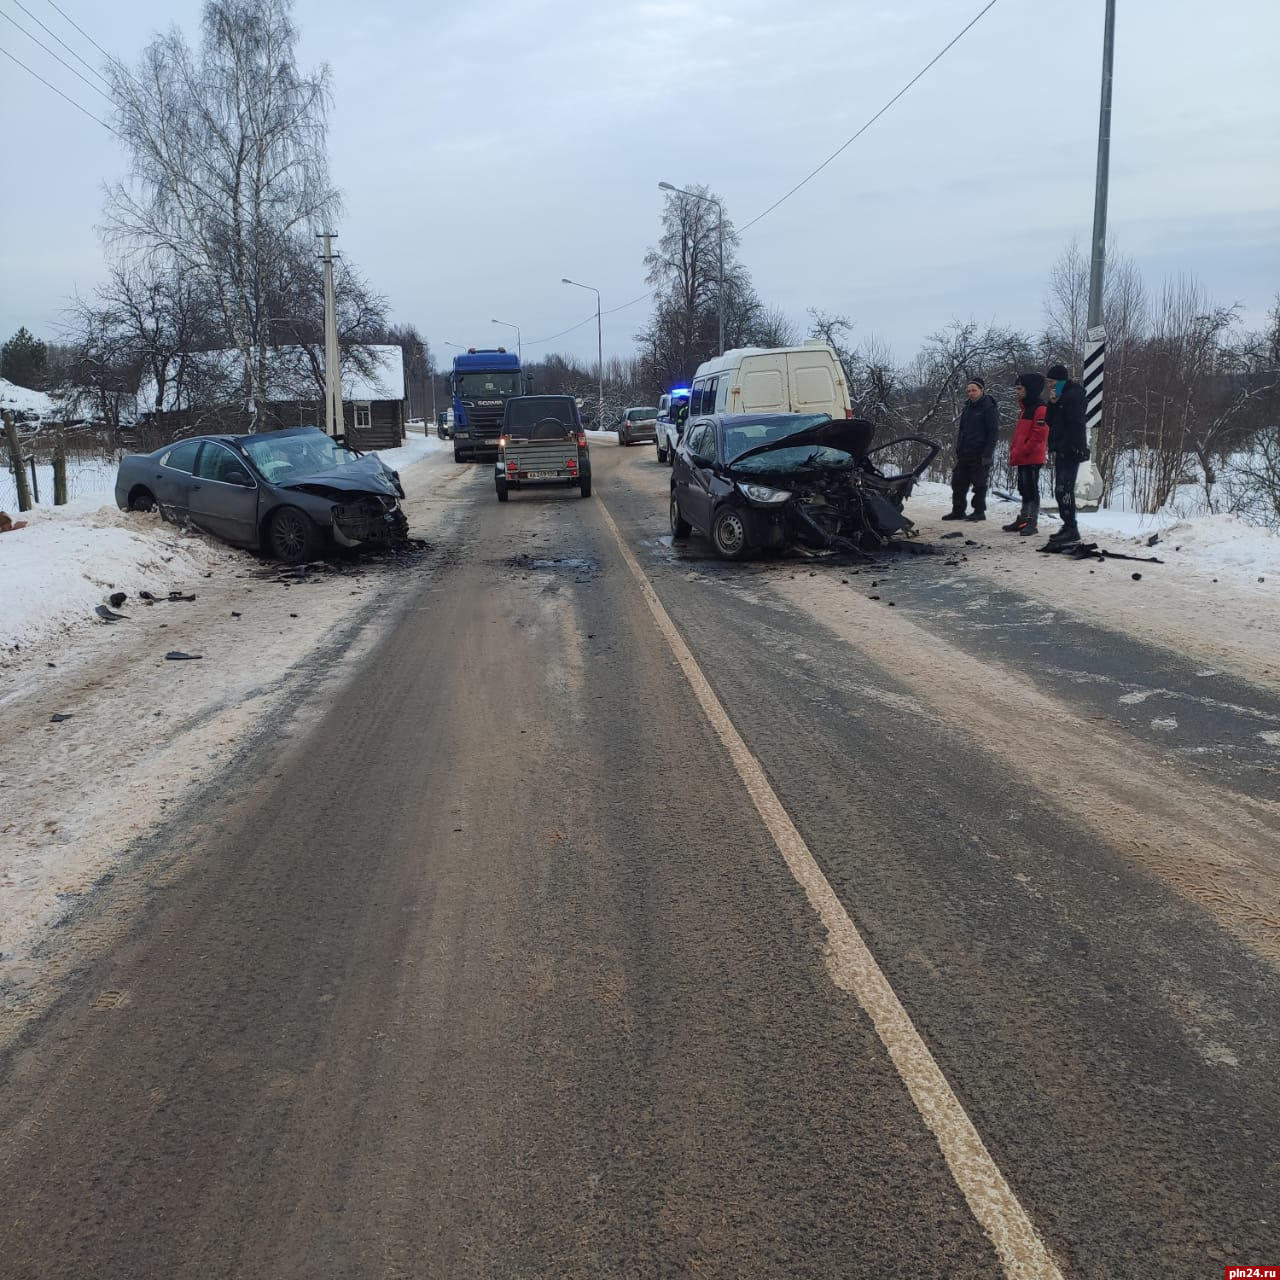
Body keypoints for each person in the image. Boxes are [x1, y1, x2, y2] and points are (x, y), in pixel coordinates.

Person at [1043, 361, 1089, 546]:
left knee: (1064, 490)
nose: (1050, 386)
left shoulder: (1073, 397)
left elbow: (1076, 424)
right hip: (1062, 447)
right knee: (1060, 489)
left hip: (1071, 448)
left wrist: (1079, 447)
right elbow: (1049, 421)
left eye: (1052, 382)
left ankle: (1071, 527)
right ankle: (1068, 525)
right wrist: (1053, 403)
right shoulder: (1060, 398)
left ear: (1061, 381)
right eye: (1048, 383)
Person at [942, 377, 1000, 521]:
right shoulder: (967, 408)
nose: (971, 393)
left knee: (979, 485)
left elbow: (993, 432)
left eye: (974, 390)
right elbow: (962, 429)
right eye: (968, 391)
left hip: (980, 453)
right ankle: (958, 511)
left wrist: (988, 453)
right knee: (958, 483)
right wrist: (959, 447)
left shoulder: (989, 408)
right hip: (965, 452)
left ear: (982, 390)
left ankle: (979, 512)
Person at [1003, 372, 1048, 535]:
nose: (1017, 392)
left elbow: (1039, 434)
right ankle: (1023, 518)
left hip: (1032, 457)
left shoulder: (1040, 408)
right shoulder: (1025, 409)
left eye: (1019, 388)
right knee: (1023, 488)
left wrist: (1025, 450)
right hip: (1023, 457)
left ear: (1030, 389)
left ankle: (1032, 521)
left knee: (1031, 488)